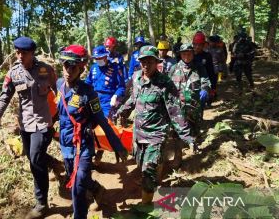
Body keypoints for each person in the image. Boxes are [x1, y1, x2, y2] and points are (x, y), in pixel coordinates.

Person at [0, 36, 61, 219]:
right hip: (25, 124)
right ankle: (57, 166)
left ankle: (41, 205)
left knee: (35, 158)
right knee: (33, 157)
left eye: (23, 53)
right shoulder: (13, 73)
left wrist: (62, 116)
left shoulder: (46, 70)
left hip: (43, 124)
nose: (19, 56)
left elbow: (60, 91)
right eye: (17, 52)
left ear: (32, 53)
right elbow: (4, 97)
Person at [115, 45, 196, 205]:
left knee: (148, 171)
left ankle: (146, 205)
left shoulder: (164, 82)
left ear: (156, 63)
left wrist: (187, 136)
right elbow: (133, 98)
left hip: (156, 135)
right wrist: (122, 110)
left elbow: (174, 110)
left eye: (150, 62)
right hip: (139, 134)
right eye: (143, 62)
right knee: (142, 165)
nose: (146, 66)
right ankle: (154, 179)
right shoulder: (137, 77)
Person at [56, 45, 127, 218]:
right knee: (76, 176)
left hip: (83, 144)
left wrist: (118, 146)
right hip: (66, 144)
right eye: (66, 65)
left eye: (73, 67)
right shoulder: (58, 85)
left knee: (78, 184)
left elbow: (102, 122)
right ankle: (97, 189)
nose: (68, 71)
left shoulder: (88, 94)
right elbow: (56, 112)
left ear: (81, 68)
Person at [169, 44, 211, 136]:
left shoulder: (199, 68)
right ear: (180, 55)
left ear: (193, 54)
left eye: (189, 54)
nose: (187, 56)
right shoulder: (173, 68)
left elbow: (206, 81)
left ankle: (194, 146)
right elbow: (168, 86)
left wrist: (205, 89)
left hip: (194, 107)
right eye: (184, 54)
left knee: (194, 132)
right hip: (178, 108)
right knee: (176, 133)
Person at [86, 45, 126, 118]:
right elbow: (88, 83)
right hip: (94, 99)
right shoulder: (93, 67)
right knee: (93, 121)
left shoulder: (115, 68)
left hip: (108, 100)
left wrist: (115, 96)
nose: (98, 59)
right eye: (96, 58)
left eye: (100, 57)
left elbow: (122, 87)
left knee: (106, 123)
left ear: (106, 56)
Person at [192, 31, 216, 104]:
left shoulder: (207, 56)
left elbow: (211, 72)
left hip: (204, 83)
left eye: (200, 45)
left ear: (203, 45)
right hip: (191, 82)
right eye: (196, 44)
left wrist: (213, 87)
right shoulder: (189, 55)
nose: (197, 47)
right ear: (193, 44)